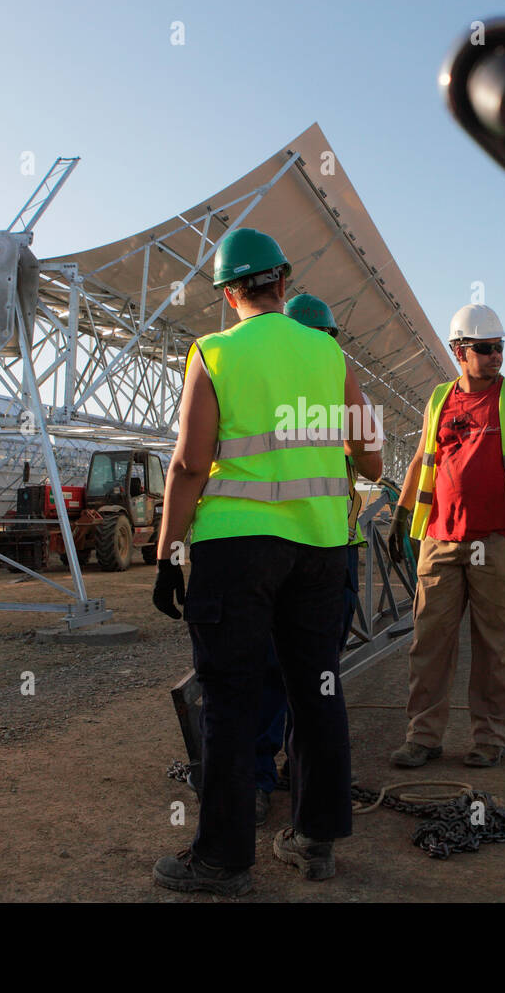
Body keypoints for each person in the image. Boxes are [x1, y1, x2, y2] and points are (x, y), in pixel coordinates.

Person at [150, 228, 381, 895]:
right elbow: (371, 457)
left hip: (235, 549)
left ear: (229, 292)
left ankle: (223, 860)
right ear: (283, 281)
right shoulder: (327, 353)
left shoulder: (215, 352)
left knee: (231, 698)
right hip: (319, 549)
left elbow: (191, 462)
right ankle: (317, 841)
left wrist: (169, 552)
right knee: (319, 692)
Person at [386, 303, 505, 769]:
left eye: (499, 348)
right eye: (486, 349)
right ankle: (422, 736)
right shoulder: (438, 399)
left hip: (498, 541)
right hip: (441, 540)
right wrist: (402, 512)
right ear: (459, 352)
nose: (496, 357)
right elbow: (419, 460)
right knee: (429, 643)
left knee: (495, 645)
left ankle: (490, 738)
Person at [247, 294, 378, 826]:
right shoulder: (336, 380)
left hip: (271, 549)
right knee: (312, 678)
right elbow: (369, 456)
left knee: (272, 673)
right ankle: (301, 804)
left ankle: (264, 780)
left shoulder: (260, 377)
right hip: (324, 553)